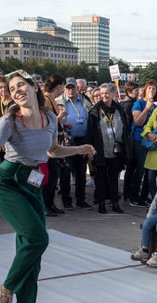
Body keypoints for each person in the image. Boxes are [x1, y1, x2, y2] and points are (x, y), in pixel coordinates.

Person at [0, 70, 95, 303]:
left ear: (33, 87)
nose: (16, 90)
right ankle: (5, 290)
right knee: (38, 239)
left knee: (32, 254)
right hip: (7, 182)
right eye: (11, 87)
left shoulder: (50, 117)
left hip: (32, 184)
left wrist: (79, 149)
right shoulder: (9, 121)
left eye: (20, 85)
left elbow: (51, 151)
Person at [86, 83, 129, 214]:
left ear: (112, 94)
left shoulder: (119, 109)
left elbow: (125, 128)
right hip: (100, 149)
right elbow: (90, 132)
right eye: (102, 93)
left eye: (106, 93)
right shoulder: (95, 110)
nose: (104, 96)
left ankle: (115, 203)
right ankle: (101, 204)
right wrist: (89, 150)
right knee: (100, 178)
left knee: (114, 178)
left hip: (116, 150)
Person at [56, 77, 93, 209]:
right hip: (66, 140)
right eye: (68, 88)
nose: (70, 90)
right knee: (66, 171)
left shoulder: (85, 101)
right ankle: (66, 200)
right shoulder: (58, 102)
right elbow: (54, 121)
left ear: (77, 88)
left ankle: (81, 199)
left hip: (82, 140)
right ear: (64, 89)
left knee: (81, 172)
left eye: (73, 87)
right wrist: (63, 124)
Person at [129, 81, 157, 206]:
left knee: (150, 170)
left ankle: (144, 196)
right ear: (145, 91)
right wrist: (147, 108)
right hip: (140, 140)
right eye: (149, 88)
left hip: (152, 141)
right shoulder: (139, 103)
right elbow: (138, 122)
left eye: (154, 88)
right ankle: (134, 196)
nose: (152, 91)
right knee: (140, 168)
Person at [40, 74, 67, 217]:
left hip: (53, 141)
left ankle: (50, 203)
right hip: (48, 144)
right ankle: (46, 205)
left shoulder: (51, 99)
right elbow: (46, 122)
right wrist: (59, 118)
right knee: (49, 176)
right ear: (58, 86)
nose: (63, 89)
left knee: (54, 175)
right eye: (63, 86)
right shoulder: (46, 99)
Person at [120, 81, 139, 204]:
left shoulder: (127, 103)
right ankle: (129, 192)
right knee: (132, 167)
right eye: (136, 90)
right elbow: (127, 124)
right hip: (130, 139)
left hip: (128, 139)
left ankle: (127, 192)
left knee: (131, 168)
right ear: (129, 92)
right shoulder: (129, 105)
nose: (138, 92)